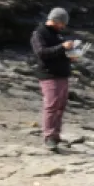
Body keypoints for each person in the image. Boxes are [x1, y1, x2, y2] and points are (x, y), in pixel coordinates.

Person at [30, 8, 77, 152]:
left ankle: (55, 135)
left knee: (60, 105)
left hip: (62, 75)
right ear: (56, 20)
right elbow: (42, 53)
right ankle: (49, 136)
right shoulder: (39, 33)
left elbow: (58, 53)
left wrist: (70, 56)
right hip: (49, 75)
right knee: (51, 106)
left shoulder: (57, 35)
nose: (63, 26)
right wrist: (62, 47)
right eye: (62, 23)